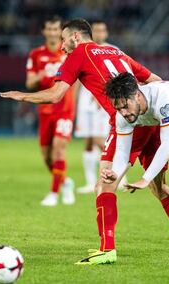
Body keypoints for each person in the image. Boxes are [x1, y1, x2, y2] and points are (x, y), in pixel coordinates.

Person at [1, 18, 169, 264]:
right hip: (149, 118)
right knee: (159, 187)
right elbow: (155, 80)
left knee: (104, 184)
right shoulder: (114, 50)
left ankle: (107, 249)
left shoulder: (79, 53)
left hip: (126, 123)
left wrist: (22, 96)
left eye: (65, 40)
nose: (62, 47)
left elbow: (56, 95)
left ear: (76, 37)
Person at [25, 15, 76, 206]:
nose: (53, 33)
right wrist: (41, 73)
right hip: (45, 110)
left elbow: (77, 83)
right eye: (50, 29)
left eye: (57, 29)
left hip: (65, 109)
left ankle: (54, 194)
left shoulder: (69, 52)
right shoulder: (36, 54)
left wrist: (74, 106)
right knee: (47, 157)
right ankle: (66, 183)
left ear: (61, 31)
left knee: (58, 150)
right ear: (44, 32)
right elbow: (29, 82)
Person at [75, 20, 122, 194]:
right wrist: (73, 103)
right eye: (96, 30)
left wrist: (104, 95)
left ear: (106, 33)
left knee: (101, 140)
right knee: (88, 141)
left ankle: (119, 174)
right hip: (84, 102)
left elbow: (118, 77)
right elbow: (76, 80)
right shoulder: (82, 50)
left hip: (103, 103)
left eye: (102, 30)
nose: (99, 33)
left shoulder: (113, 50)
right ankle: (89, 182)